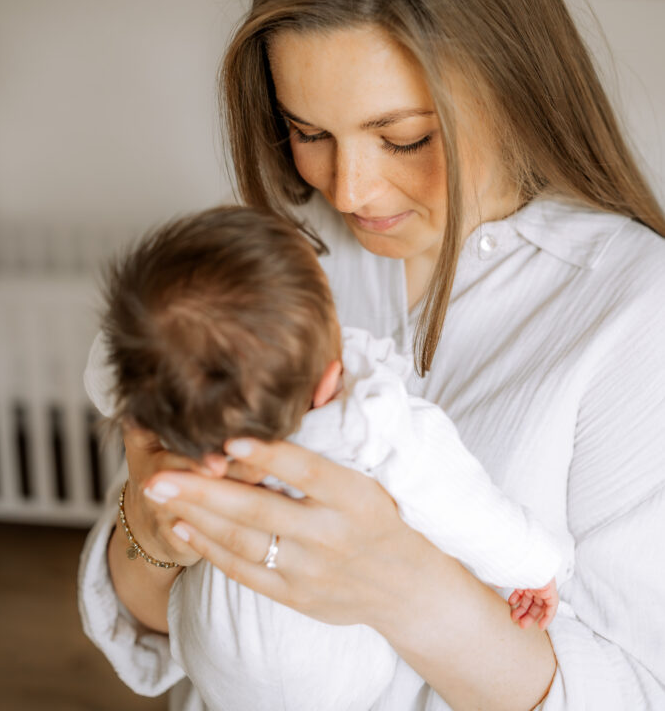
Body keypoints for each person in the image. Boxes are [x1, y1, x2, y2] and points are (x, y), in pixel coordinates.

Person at [78, 0, 665, 711]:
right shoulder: (274, 277)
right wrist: (154, 524)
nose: (347, 191)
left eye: (403, 137)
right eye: (307, 131)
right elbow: (150, 633)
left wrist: (398, 583)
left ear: (512, 84)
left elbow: (638, 690)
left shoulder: (632, 307)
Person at [90, 204, 566, 711]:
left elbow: (105, 370)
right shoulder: (367, 422)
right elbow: (463, 502)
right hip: (342, 679)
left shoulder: (177, 437)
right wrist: (534, 564)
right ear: (326, 381)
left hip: (213, 657)